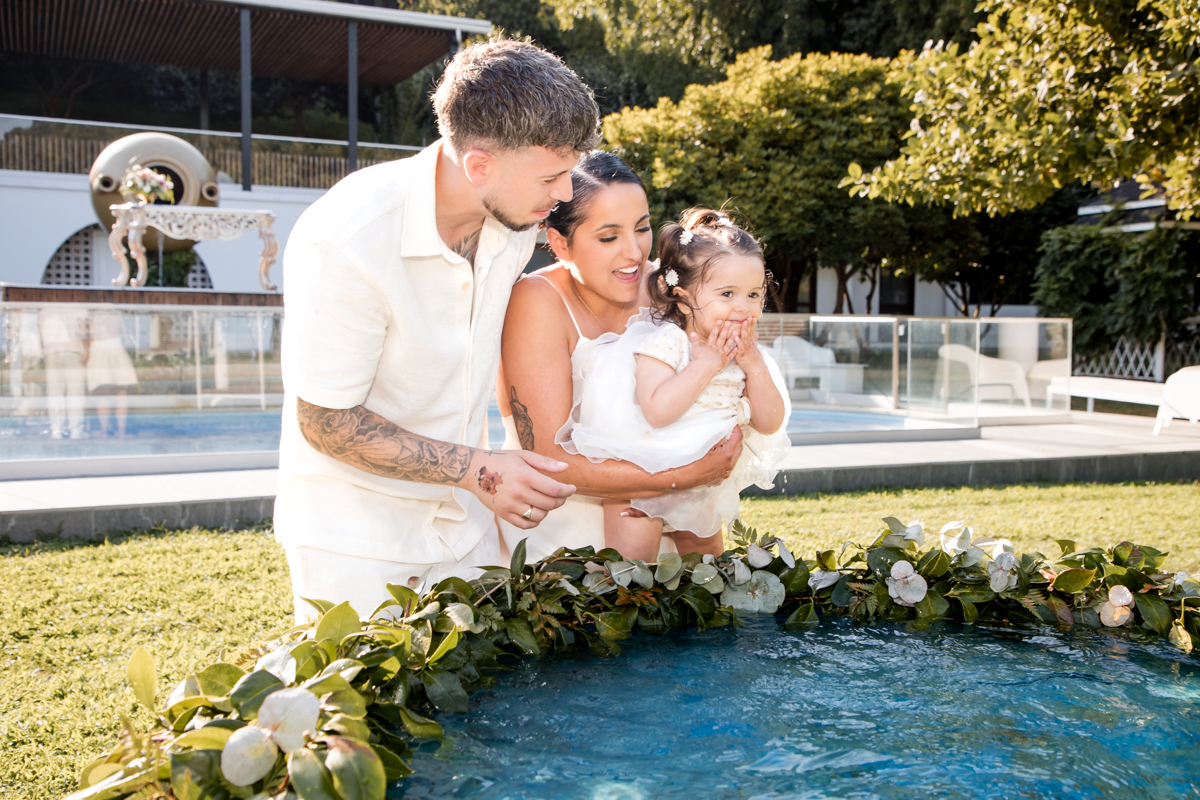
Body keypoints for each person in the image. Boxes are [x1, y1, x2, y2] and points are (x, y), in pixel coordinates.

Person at [274, 39, 597, 623]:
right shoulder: (347, 239)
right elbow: (325, 420)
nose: (566, 194)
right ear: (479, 165)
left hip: (466, 526)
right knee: (365, 713)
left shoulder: (516, 222)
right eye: (553, 176)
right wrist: (478, 469)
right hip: (354, 540)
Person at [497, 155, 744, 562]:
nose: (634, 252)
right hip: (563, 540)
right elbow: (548, 458)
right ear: (560, 243)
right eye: (609, 237)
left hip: (676, 529)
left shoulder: (668, 289)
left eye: (642, 228)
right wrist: (683, 476)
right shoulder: (535, 301)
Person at [557, 209, 791, 561]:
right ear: (682, 298)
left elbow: (769, 422)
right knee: (631, 568)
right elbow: (657, 410)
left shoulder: (741, 355)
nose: (744, 308)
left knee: (707, 568)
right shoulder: (667, 342)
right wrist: (706, 365)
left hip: (704, 485)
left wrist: (753, 366)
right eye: (727, 294)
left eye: (754, 295)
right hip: (645, 480)